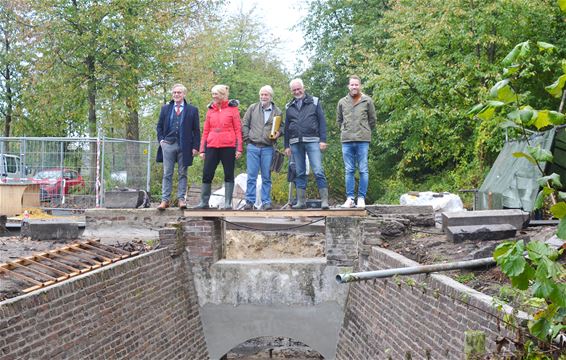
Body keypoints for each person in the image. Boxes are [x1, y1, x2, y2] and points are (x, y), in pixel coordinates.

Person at [194, 85, 243, 209]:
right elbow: (205, 131)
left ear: (222, 95)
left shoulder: (233, 110)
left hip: (228, 146)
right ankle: (204, 202)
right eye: (212, 94)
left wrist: (239, 148)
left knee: (228, 174)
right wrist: (202, 149)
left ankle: (227, 203)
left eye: (216, 94)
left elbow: (238, 130)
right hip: (212, 145)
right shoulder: (210, 110)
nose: (213, 96)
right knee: (207, 173)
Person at [284, 78, 329, 209]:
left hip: (313, 140)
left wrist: (323, 140)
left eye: (299, 89)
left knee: (318, 170)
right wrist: (286, 145)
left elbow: (322, 121)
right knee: (299, 172)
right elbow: (287, 127)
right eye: (294, 90)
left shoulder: (314, 101)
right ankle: (301, 201)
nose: (297, 91)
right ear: (291, 91)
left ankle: (325, 201)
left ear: (303, 88)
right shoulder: (289, 106)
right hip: (295, 142)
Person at [155, 83, 200, 210]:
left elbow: (196, 130)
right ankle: (165, 200)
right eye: (174, 92)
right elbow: (159, 126)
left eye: (179, 92)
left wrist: (195, 147)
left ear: (184, 94)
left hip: (185, 145)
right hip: (168, 144)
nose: (176, 95)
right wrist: (161, 141)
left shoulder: (192, 110)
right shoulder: (165, 108)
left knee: (182, 173)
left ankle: (181, 199)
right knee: (167, 173)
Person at [336, 75, 376, 208]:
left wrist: (364, 129)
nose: (354, 87)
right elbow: (339, 120)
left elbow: (372, 120)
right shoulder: (342, 102)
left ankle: (361, 198)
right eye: (352, 85)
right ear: (348, 86)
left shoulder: (367, 101)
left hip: (362, 139)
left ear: (360, 86)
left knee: (363, 169)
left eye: (356, 85)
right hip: (347, 140)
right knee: (349, 170)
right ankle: (349, 198)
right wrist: (344, 129)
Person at [241, 85, 283, 210]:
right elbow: (245, 124)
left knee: (266, 176)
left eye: (266, 95)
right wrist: (247, 139)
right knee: (251, 176)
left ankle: (266, 202)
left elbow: (281, 127)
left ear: (271, 96)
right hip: (253, 146)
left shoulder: (278, 111)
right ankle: (249, 201)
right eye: (262, 94)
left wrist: (279, 133)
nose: (264, 97)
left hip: (268, 148)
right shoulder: (252, 108)